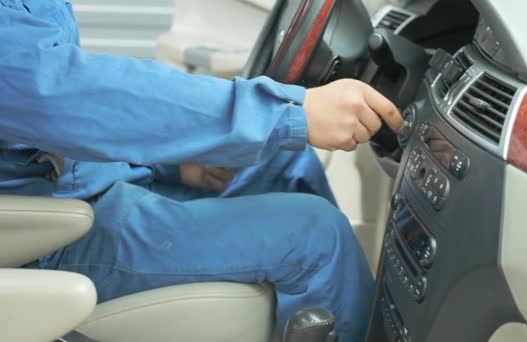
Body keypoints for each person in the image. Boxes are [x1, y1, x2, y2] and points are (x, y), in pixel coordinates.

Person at [0, 1, 403, 341]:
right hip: (45, 235)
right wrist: (287, 114)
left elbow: (32, 124)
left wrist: (178, 164)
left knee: (285, 159)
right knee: (317, 238)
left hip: (69, 187)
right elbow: (58, 94)